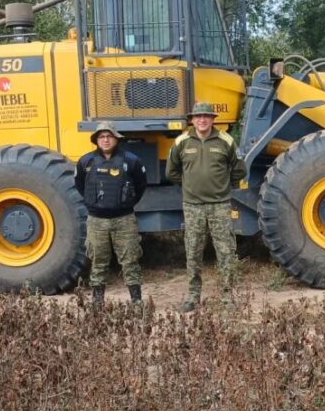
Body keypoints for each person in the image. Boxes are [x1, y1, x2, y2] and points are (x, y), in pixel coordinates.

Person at [166, 102, 246, 312]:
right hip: (193, 207)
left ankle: (227, 297)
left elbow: (239, 169)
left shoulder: (225, 141)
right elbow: (171, 172)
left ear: (212, 119)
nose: (202, 120)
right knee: (193, 251)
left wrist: (222, 185)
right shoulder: (182, 142)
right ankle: (193, 296)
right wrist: (190, 184)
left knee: (226, 251)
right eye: (198, 116)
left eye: (206, 116)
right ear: (192, 119)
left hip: (220, 205)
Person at [75, 121, 147, 307]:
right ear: (96, 140)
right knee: (98, 261)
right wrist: (97, 206)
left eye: (109, 136)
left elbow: (140, 186)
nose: (106, 140)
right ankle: (97, 302)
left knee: (130, 260)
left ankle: (136, 301)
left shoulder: (131, 160)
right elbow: (80, 186)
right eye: (102, 137)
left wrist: (123, 205)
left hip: (124, 220)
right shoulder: (86, 162)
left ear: (116, 139)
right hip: (96, 222)